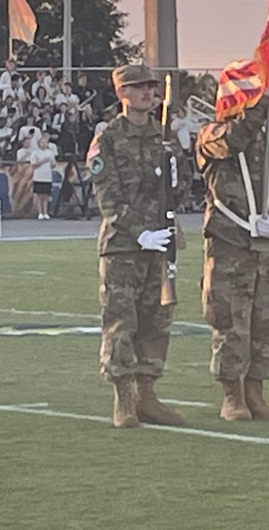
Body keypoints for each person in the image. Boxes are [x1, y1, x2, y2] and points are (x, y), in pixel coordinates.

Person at [87, 64, 188, 429]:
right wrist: (138, 231)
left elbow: (181, 188)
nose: (148, 92)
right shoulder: (108, 139)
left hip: (160, 242)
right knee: (121, 321)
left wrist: (180, 174)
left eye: (150, 86)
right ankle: (124, 398)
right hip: (124, 246)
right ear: (122, 94)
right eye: (139, 87)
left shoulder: (164, 136)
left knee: (155, 322)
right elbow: (108, 196)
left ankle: (147, 394)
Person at [196, 95, 269, 422]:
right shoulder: (212, 134)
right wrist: (257, 108)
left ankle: (255, 392)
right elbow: (232, 142)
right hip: (230, 243)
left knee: (265, 320)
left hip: (266, 246)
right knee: (230, 320)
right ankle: (232, 395)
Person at [29, 130, 58, 219]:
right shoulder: (35, 153)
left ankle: (45, 212)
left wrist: (52, 162)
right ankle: (40, 212)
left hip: (47, 176)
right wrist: (42, 161)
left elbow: (53, 165)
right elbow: (33, 165)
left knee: (45, 195)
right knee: (39, 195)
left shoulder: (50, 153)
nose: (43, 144)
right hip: (38, 176)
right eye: (41, 142)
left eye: (45, 142)